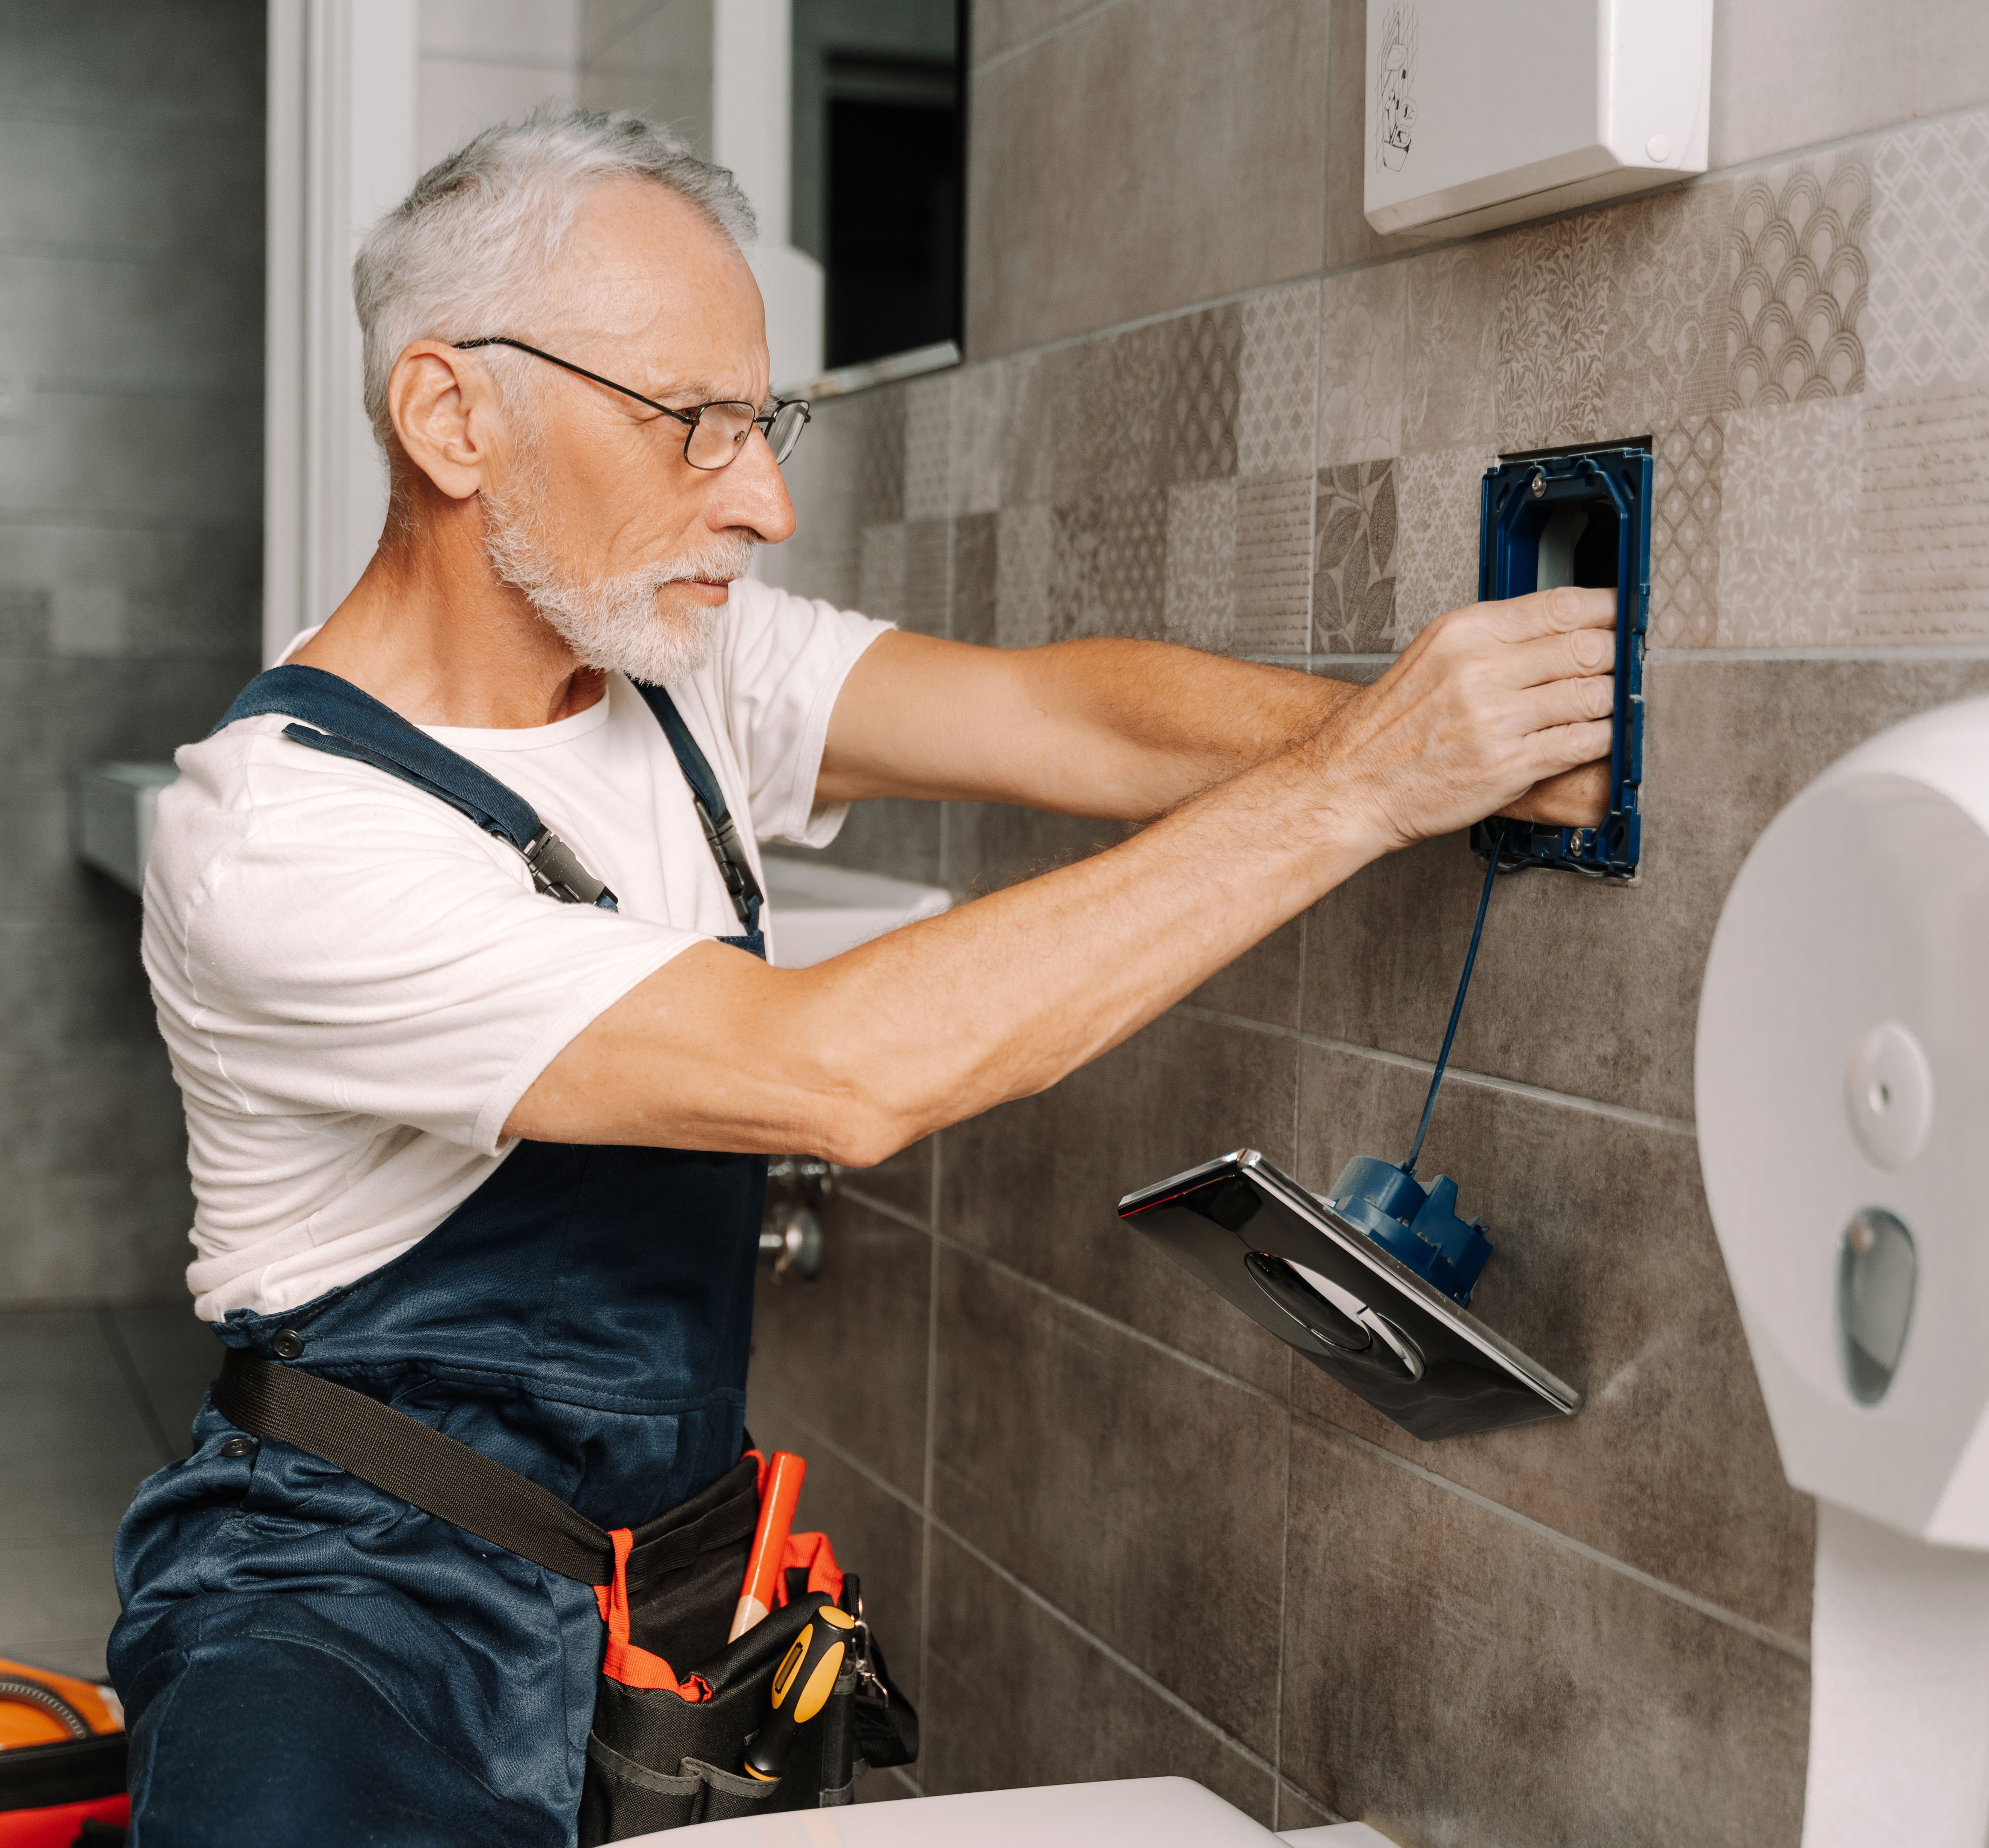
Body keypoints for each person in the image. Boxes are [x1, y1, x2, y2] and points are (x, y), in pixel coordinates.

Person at [107, 108, 1616, 1844]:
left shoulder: (676, 667)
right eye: (696, 427)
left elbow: (1056, 713)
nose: (764, 499)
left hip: (657, 1610)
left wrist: (1440, 741)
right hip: (345, 1625)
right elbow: (838, 1069)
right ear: (453, 415)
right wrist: (1360, 789)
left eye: (764, 423)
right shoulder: (284, 836)